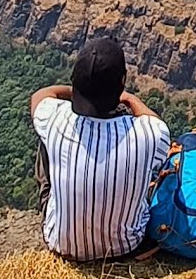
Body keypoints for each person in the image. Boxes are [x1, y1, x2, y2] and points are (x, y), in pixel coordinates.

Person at [29, 37, 171, 261]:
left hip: (62, 245)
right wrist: (129, 99)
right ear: (122, 81)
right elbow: (156, 123)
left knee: (45, 138)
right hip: (126, 246)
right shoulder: (150, 133)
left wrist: (76, 89)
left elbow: (40, 96)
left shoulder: (56, 119)